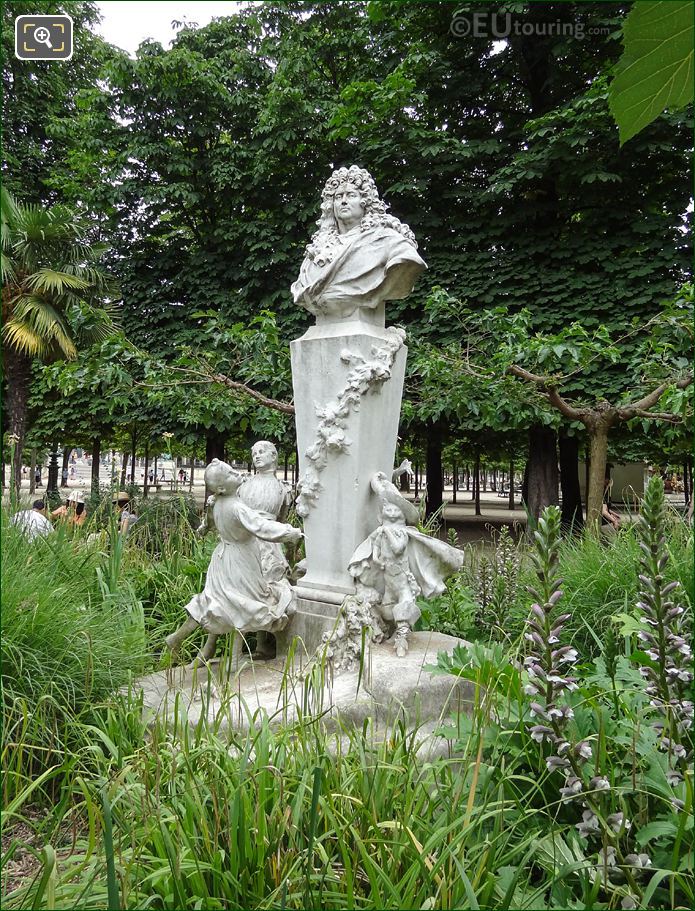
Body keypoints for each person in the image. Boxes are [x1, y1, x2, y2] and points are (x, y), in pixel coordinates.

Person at [165, 459, 302, 665]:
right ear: (221, 487)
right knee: (243, 604)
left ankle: (177, 638)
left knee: (221, 603)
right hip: (241, 560)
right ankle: (236, 659)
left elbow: (209, 525)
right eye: (230, 474)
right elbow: (262, 527)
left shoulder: (218, 503)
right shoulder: (237, 507)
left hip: (222, 558)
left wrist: (204, 528)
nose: (236, 473)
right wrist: (289, 532)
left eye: (232, 469)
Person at [291, 165, 426, 323]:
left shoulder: (387, 240)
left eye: (351, 195)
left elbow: (409, 261)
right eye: (338, 196)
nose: (343, 201)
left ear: (365, 202)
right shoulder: (317, 251)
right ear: (331, 204)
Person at [348, 473, 463, 657]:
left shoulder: (401, 534)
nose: (392, 513)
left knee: (406, 603)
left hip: (402, 580)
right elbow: (376, 550)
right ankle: (393, 632)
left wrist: (388, 532)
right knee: (386, 611)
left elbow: (398, 548)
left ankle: (402, 638)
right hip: (388, 579)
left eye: (396, 511)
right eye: (389, 510)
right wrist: (377, 560)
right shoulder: (380, 532)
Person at [238, 440, 294, 657]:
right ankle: (248, 641)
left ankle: (266, 643)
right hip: (246, 540)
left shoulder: (281, 488)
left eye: (262, 452)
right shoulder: (245, 485)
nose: (257, 456)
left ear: (274, 456)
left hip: (269, 544)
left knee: (268, 590)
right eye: (254, 453)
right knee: (246, 588)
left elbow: (281, 518)